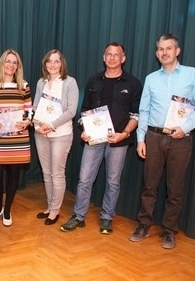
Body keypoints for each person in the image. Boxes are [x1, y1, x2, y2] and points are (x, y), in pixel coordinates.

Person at [129, 33, 195, 249]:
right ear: (157, 53)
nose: (164, 52)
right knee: (149, 185)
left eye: (169, 48)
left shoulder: (192, 75)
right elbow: (143, 110)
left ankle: (169, 230)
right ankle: (144, 224)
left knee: (175, 188)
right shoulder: (151, 79)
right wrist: (140, 139)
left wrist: (184, 128)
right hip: (153, 137)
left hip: (180, 139)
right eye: (160, 49)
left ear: (177, 51)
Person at [60, 42, 142, 234]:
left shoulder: (133, 83)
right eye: (109, 54)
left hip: (119, 141)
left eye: (116, 55)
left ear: (123, 58)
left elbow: (136, 115)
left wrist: (125, 133)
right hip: (93, 140)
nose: (112, 58)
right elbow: (84, 111)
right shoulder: (93, 81)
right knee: (84, 179)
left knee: (113, 181)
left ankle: (107, 217)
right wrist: (84, 129)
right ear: (104, 57)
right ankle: (78, 216)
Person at [0, 49, 32, 227]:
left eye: (14, 62)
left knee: (13, 175)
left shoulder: (23, 85)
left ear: (18, 66)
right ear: (2, 64)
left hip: (18, 138)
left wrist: (27, 122)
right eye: (8, 61)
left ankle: (8, 209)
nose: (11, 65)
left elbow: (29, 109)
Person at [33, 50, 79, 225]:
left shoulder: (69, 82)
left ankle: (55, 210)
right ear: (45, 64)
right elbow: (35, 106)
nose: (52, 65)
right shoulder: (41, 82)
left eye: (56, 61)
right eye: (49, 61)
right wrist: (37, 126)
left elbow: (71, 111)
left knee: (57, 174)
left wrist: (51, 125)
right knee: (46, 173)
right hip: (41, 134)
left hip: (61, 134)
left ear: (62, 63)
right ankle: (50, 206)